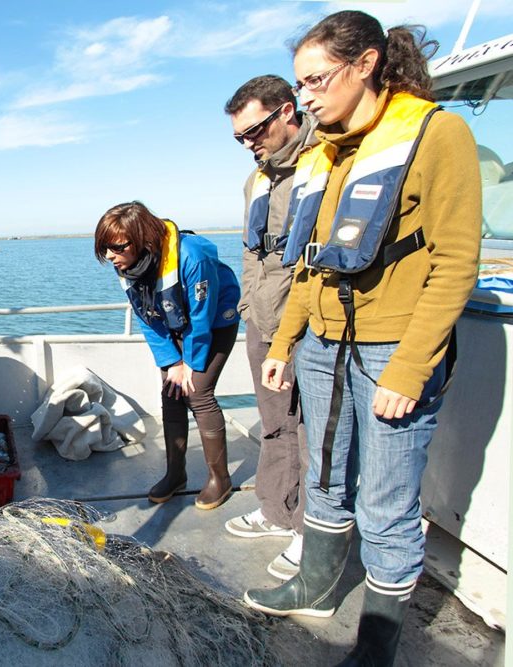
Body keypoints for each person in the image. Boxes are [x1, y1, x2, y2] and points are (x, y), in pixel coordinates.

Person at [242, 11, 481, 667]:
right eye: (302, 83)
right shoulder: (325, 151)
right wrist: (287, 342)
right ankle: (315, 585)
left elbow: (455, 262)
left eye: (317, 79)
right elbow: (308, 263)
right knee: (322, 473)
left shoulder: (438, 135)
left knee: (384, 500)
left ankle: (377, 641)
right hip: (321, 344)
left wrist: (409, 369)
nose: (308, 95)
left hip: (392, 350)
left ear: (366, 63)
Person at [222, 75, 317, 580]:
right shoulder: (256, 178)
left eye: (254, 130)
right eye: (239, 138)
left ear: (287, 110)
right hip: (261, 319)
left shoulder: (324, 161)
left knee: (313, 430)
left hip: (306, 324)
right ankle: (277, 510)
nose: (248, 143)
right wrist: (246, 303)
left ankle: (309, 529)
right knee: (275, 420)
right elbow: (251, 248)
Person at [94, 201, 241, 510]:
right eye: (105, 248)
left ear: (143, 238)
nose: (110, 255)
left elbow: (201, 317)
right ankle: (175, 474)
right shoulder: (127, 264)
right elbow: (147, 318)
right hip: (173, 324)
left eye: (116, 247)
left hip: (215, 322)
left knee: (198, 392)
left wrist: (191, 362)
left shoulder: (192, 257)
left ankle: (220, 479)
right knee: (171, 392)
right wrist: (172, 362)